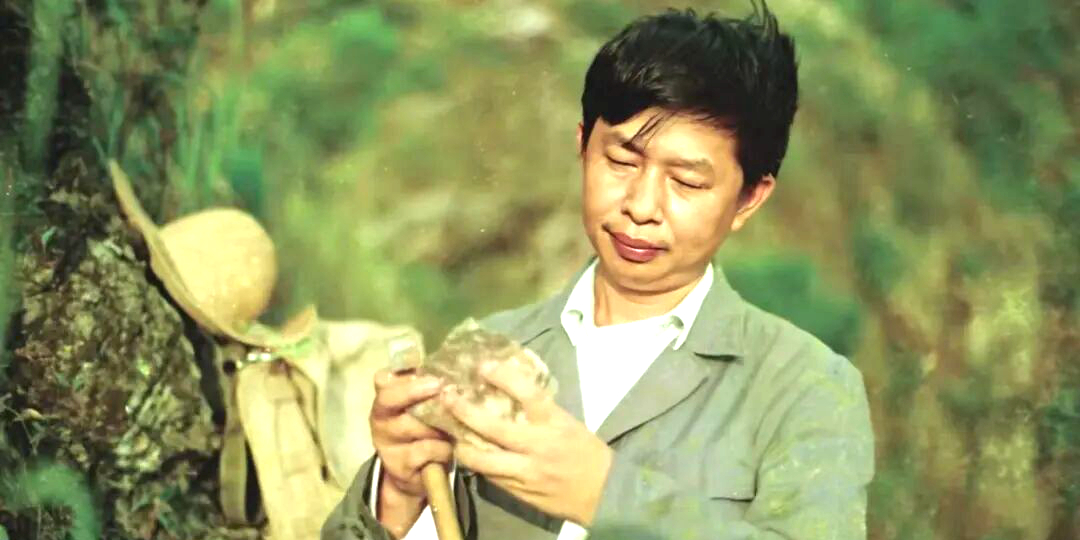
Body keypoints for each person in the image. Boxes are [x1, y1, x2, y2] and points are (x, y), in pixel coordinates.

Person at [323, 4, 875, 540]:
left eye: (686, 181)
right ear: (583, 145)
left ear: (749, 198)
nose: (642, 205)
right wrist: (397, 497)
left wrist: (603, 495)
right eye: (622, 161)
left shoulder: (806, 388)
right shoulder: (491, 356)